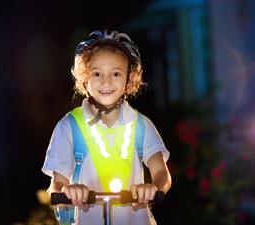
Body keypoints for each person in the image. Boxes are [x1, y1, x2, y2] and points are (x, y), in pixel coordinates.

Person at [42, 30, 172, 225]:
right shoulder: (69, 127)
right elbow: (56, 184)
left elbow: (162, 173)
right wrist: (68, 190)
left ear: (129, 78)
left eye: (116, 73)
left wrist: (153, 187)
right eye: (96, 73)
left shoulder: (140, 125)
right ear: (85, 78)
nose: (106, 81)